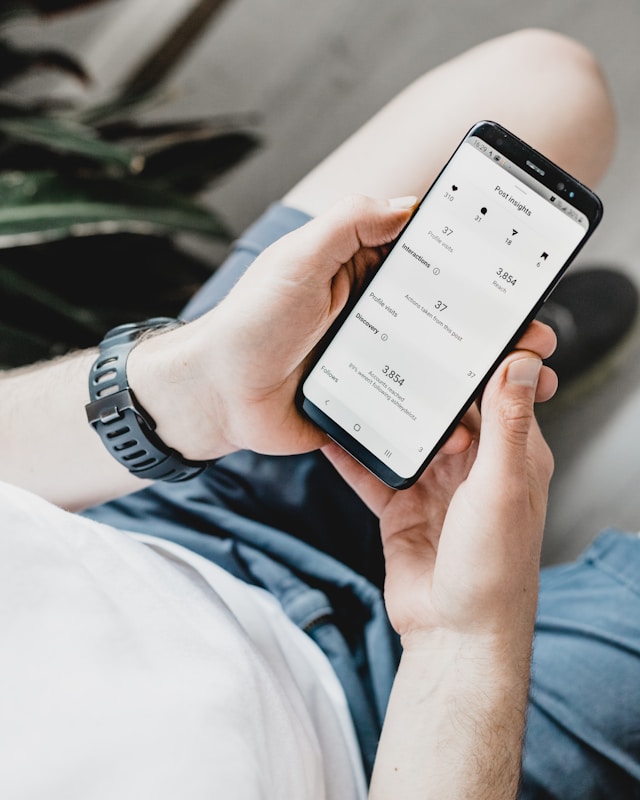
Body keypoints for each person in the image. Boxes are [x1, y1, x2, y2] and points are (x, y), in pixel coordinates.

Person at [0, 28, 638, 800]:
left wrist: (188, 389)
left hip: (145, 504)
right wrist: (464, 643)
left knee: (542, 82)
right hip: (374, 749)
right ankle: (500, 353)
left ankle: (496, 346)